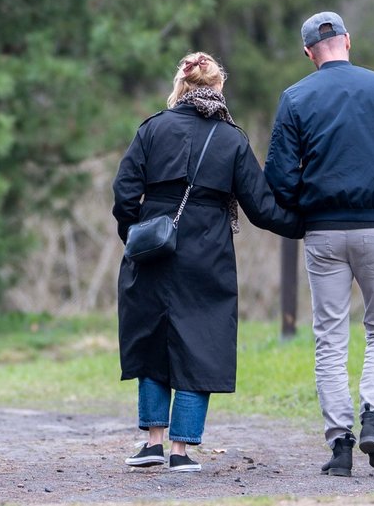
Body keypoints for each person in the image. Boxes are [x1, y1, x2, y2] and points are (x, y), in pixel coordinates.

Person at [112, 51, 303, 473]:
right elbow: (261, 207)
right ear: (217, 88)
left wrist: (136, 236)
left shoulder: (151, 129)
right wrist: (306, 225)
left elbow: (124, 193)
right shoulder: (231, 139)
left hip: (152, 251)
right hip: (208, 250)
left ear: (180, 87)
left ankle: (151, 442)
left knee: (152, 337)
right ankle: (181, 450)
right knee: (201, 342)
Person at [264, 12, 374, 477]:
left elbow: (277, 175)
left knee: (330, 338)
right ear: (348, 42)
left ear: (309, 52)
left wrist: (305, 204)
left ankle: (340, 446)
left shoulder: (295, 98)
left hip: (324, 231)